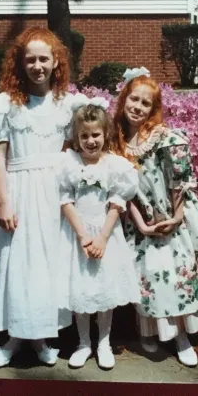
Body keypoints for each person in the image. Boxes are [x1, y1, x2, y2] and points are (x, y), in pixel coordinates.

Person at [112, 68, 198, 367]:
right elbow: (122, 190)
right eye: (133, 99)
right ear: (123, 100)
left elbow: (179, 182)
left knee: (175, 273)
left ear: (153, 109)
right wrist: (140, 224)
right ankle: (148, 331)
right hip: (140, 220)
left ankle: (181, 336)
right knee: (146, 275)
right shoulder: (118, 142)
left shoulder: (164, 137)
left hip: (171, 217)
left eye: (145, 103)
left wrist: (175, 218)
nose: (137, 107)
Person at [0, 26, 73, 367]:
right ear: (20, 64)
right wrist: (4, 200)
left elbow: (68, 151)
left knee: (46, 265)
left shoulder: (66, 105)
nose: (38, 66)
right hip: (19, 192)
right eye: (30, 59)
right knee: (19, 262)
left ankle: (39, 337)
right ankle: (14, 338)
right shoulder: (5, 105)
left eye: (44, 59)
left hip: (53, 195)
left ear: (56, 62)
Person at [58, 94, 140, 369]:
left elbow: (118, 203)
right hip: (78, 235)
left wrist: (102, 237)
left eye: (95, 135)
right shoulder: (69, 163)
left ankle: (103, 342)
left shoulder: (114, 165)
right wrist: (82, 235)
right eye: (84, 136)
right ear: (76, 137)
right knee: (81, 289)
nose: (90, 141)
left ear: (105, 134)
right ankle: (83, 343)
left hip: (106, 233)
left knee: (104, 289)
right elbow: (65, 201)